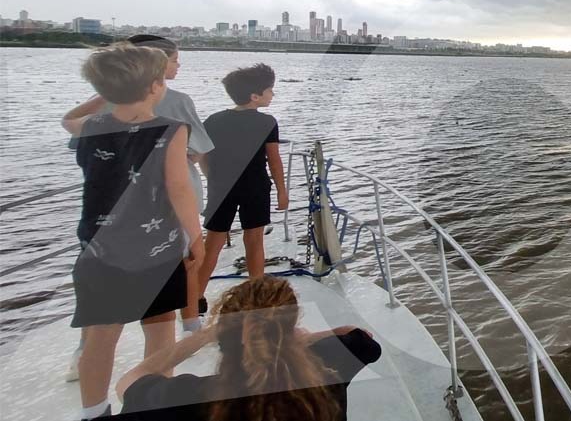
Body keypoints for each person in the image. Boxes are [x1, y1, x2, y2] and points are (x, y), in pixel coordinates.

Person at [60, 43, 205, 420]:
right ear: (156, 86)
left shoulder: (91, 126)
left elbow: (67, 119)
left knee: (101, 335)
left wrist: (102, 96)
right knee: (159, 329)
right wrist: (196, 238)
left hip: (99, 251)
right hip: (156, 252)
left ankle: (94, 412)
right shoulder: (172, 131)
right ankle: (153, 400)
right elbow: (179, 189)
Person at [116, 277, 381, 421]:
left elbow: (133, 378)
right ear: (290, 330)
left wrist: (207, 334)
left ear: (225, 338)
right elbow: (360, 337)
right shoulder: (330, 370)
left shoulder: (188, 396)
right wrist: (304, 340)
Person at [198, 63, 288, 300]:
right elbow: (274, 160)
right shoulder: (267, 122)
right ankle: (256, 294)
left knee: (212, 243)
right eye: (270, 90)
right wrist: (282, 191)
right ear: (255, 96)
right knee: (254, 240)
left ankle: (195, 297)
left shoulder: (214, 120)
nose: (273, 94)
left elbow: (203, 155)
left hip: (221, 188)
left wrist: (212, 178)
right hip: (255, 187)